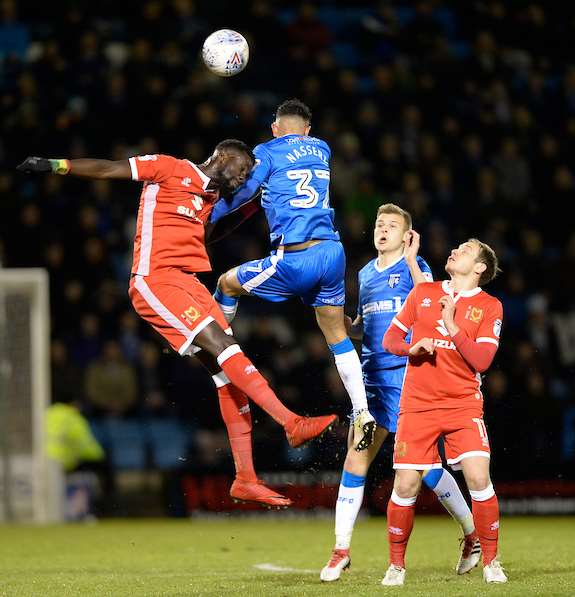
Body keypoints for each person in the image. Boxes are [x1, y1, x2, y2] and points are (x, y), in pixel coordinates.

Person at [17, 142, 338, 508]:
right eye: (243, 168)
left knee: (225, 373)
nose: (243, 176)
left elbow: (208, 236)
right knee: (223, 345)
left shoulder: (208, 199)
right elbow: (109, 169)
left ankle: (245, 477)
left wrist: (252, 205)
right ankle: (290, 422)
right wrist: (56, 163)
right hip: (155, 279)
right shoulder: (169, 168)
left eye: (247, 175)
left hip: (189, 283)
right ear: (223, 155)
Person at [320, 205, 480, 582]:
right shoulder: (363, 274)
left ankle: (473, 534)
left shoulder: (416, 268)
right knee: (355, 460)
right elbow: (363, 326)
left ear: (407, 235)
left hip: (409, 380)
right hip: (372, 383)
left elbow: (432, 298)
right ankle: (341, 549)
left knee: (425, 470)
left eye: (392, 225)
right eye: (379, 224)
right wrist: (339, 323)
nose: (383, 230)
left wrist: (411, 259)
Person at [211, 99, 376, 451]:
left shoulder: (266, 151)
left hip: (295, 257)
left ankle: (217, 349)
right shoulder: (322, 147)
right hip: (332, 253)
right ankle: (362, 411)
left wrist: (206, 216)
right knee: (335, 333)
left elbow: (243, 192)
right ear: (308, 130)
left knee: (227, 283)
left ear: (275, 128)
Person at [380, 239, 507, 585]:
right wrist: (411, 349)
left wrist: (452, 324)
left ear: (480, 267)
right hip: (418, 405)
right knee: (406, 485)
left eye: (466, 249)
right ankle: (396, 566)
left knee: (479, 478)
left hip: (462, 404)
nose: (455, 250)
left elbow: (482, 361)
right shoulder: (424, 293)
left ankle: (491, 562)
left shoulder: (490, 306)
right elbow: (390, 340)